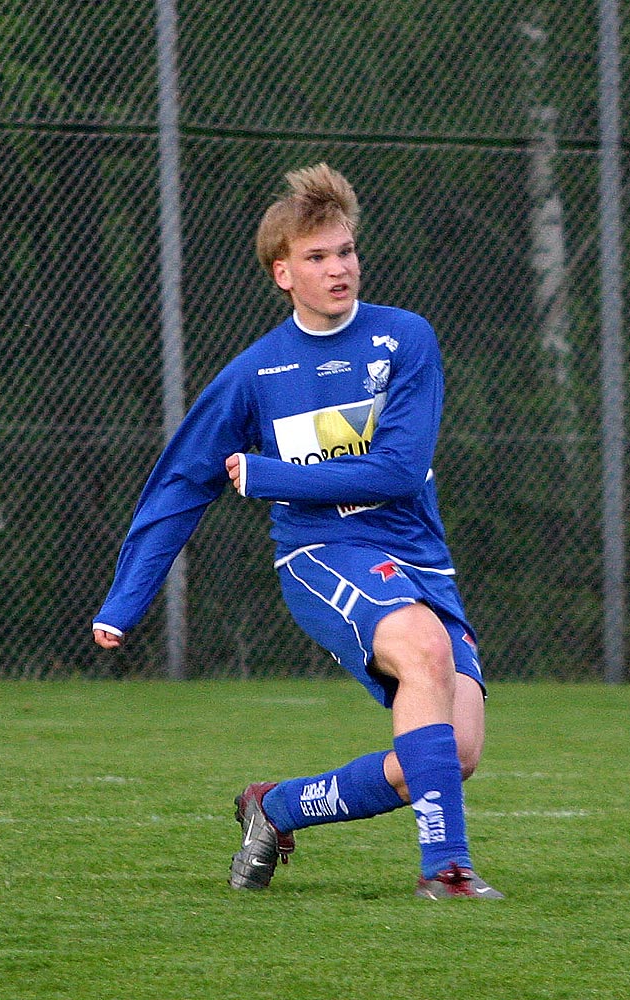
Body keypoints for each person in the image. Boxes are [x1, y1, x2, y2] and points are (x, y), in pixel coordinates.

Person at [92, 163, 502, 900]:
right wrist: (124, 601)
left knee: (450, 756)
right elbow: (182, 483)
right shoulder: (255, 373)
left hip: (419, 559)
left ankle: (274, 807)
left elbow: (398, 471)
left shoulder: (404, 338)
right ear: (283, 273)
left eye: (345, 251)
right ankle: (447, 870)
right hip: (322, 555)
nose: (338, 267)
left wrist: (270, 473)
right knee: (423, 648)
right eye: (317, 257)